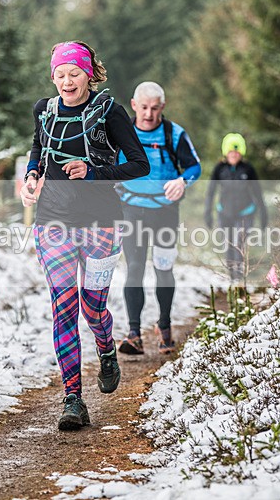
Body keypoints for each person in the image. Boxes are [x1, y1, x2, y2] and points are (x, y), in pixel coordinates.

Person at [20, 41, 149, 431]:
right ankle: (73, 398)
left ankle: (106, 347)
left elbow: (139, 165)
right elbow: (38, 150)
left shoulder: (109, 111)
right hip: (53, 222)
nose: (66, 81)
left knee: (92, 307)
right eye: (60, 74)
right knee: (64, 306)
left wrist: (93, 171)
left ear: (89, 73)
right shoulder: (44, 110)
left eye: (74, 73)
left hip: (102, 222)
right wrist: (32, 175)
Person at [115, 82, 201, 356]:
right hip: (131, 211)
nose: (149, 114)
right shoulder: (121, 133)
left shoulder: (174, 134)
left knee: (163, 268)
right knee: (135, 268)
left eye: (154, 108)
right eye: (143, 108)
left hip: (165, 212)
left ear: (162, 107)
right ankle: (133, 334)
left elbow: (194, 167)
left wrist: (182, 181)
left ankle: (164, 328)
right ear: (133, 105)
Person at [204, 133, 268, 282]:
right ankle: (232, 277)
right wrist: (208, 212)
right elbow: (210, 192)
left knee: (239, 243)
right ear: (226, 152)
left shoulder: (248, 169)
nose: (234, 155)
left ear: (241, 152)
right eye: (231, 152)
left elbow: (258, 192)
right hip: (224, 213)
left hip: (245, 213)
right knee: (229, 244)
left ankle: (239, 278)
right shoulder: (219, 169)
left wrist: (263, 214)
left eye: (237, 152)